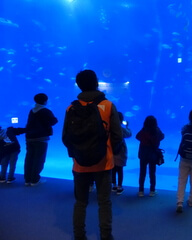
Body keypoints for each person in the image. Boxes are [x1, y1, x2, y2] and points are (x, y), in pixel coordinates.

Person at [63, 69, 122, 240]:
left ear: (79, 85)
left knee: (80, 202)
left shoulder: (70, 108)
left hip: (79, 164)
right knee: (104, 202)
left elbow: (65, 138)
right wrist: (112, 151)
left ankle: (79, 236)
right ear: (96, 82)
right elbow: (117, 136)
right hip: (104, 162)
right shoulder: (108, 105)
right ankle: (105, 236)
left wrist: (78, 153)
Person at [24, 93, 58, 186]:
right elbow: (54, 121)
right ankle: (35, 180)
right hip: (41, 138)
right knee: (39, 159)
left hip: (29, 138)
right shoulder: (45, 111)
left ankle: (27, 179)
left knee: (29, 158)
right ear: (45, 101)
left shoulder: (32, 110)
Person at [136, 115, 164, 197]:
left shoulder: (143, 131)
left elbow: (137, 137)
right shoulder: (156, 131)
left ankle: (141, 191)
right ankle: (152, 190)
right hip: (152, 154)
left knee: (142, 173)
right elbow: (162, 136)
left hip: (143, 154)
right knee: (152, 173)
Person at [112, 112, 132, 195]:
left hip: (111, 152)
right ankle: (119, 187)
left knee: (113, 169)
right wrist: (127, 126)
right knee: (120, 170)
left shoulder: (110, 128)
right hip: (120, 152)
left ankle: (114, 185)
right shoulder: (121, 129)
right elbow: (129, 134)